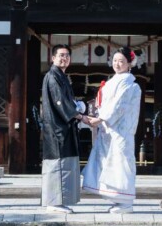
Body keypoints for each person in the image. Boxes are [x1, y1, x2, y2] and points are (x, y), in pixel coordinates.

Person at [81, 47, 142, 213]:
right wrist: (99, 117)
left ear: (129, 64)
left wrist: (100, 118)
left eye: (121, 61)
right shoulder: (113, 81)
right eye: (115, 60)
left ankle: (126, 202)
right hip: (108, 128)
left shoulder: (130, 84)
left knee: (121, 161)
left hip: (121, 130)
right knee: (108, 161)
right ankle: (117, 198)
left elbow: (119, 105)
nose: (117, 64)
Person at [41, 44, 86, 213]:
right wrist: (81, 116)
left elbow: (67, 102)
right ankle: (53, 203)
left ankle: (58, 202)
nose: (64, 58)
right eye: (61, 55)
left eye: (67, 55)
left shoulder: (61, 76)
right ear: (53, 58)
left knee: (64, 164)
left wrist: (77, 108)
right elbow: (60, 102)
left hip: (63, 127)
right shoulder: (53, 76)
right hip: (57, 128)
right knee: (57, 165)